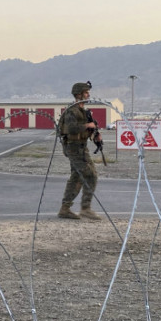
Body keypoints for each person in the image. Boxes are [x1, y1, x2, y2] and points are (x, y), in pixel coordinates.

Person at [58, 81, 103, 220]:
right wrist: (87, 125)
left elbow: (88, 128)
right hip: (74, 147)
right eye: (86, 92)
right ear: (79, 94)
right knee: (90, 175)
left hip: (82, 147)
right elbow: (71, 129)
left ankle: (65, 209)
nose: (88, 94)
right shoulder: (72, 110)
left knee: (77, 177)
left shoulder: (83, 111)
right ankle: (85, 208)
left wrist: (95, 134)